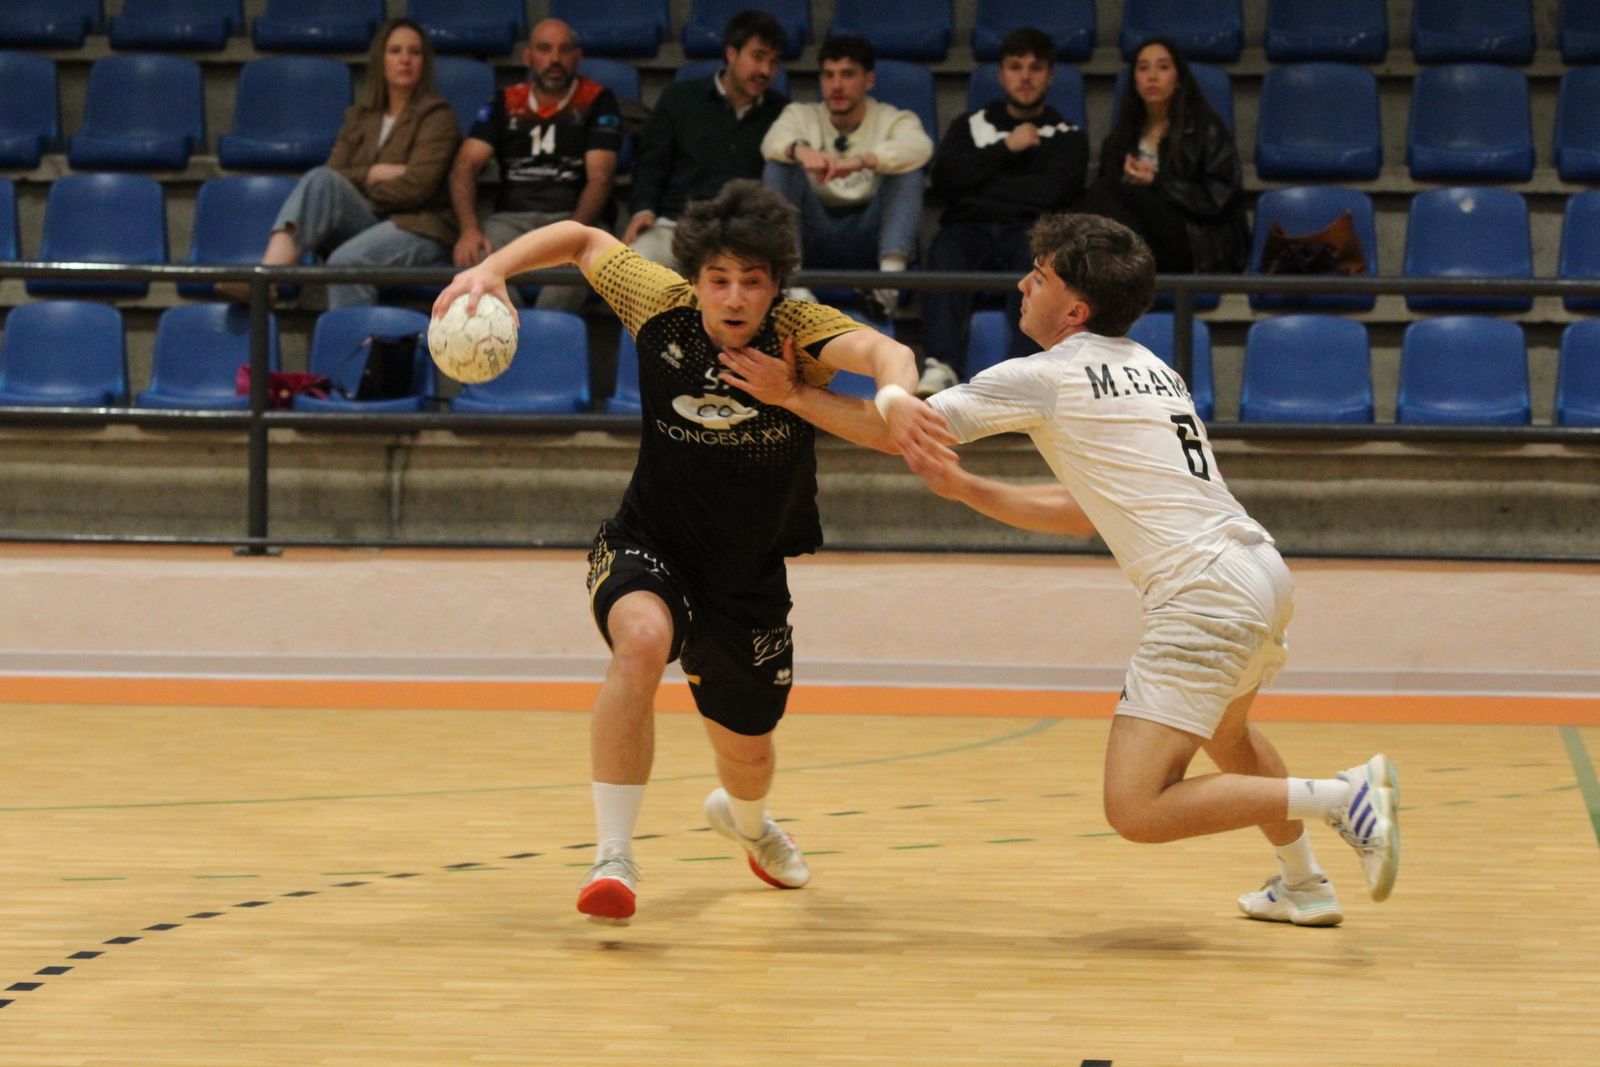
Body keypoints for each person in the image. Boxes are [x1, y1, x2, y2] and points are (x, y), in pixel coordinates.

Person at [735, 212, 1401, 927]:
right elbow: (1084, 511)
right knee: (1228, 733)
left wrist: (793, 394)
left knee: (1137, 807)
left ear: (1075, 310)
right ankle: (1303, 882)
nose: (1024, 285)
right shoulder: (1154, 368)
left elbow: (901, 429)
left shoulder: (1049, 374)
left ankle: (1344, 797)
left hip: (1202, 592)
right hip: (1256, 569)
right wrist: (967, 488)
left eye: (1040, 276)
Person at [432, 180, 934, 924]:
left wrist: (830, 395)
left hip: (747, 576)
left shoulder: (800, 332)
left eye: (752, 282)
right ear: (694, 278)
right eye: (718, 279)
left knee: (749, 755)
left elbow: (888, 354)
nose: (733, 298)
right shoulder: (657, 302)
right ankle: (613, 856)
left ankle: (750, 824)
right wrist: (492, 269)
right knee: (640, 640)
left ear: (776, 286)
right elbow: (580, 237)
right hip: (650, 542)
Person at [220, 18, 460, 308]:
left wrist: (359, 187)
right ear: (381, 60)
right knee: (320, 180)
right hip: (371, 220)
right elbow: (334, 173)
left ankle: (352, 339)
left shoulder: (438, 117)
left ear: (425, 63)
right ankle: (265, 278)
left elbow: (418, 187)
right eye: (395, 51)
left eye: (415, 52)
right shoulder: (359, 117)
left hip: (419, 228)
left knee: (345, 262)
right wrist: (372, 174)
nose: (405, 59)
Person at [916, 27, 1088, 396]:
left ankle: (1024, 375)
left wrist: (980, 187)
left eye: (1035, 68)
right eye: (1015, 67)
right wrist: (1007, 147)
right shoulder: (970, 125)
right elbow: (946, 181)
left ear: (1050, 76)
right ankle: (942, 365)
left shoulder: (1068, 135)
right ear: (1001, 75)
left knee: (1043, 263)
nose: (1025, 77)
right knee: (945, 252)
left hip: (1030, 231)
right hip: (967, 229)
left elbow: (1054, 195)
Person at [446, 18, 621, 313]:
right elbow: (464, 167)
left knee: (585, 260)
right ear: (528, 56)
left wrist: (573, 232)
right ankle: (516, 330)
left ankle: (545, 331)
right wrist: (469, 229)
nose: (554, 58)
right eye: (544, 49)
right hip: (510, 220)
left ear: (577, 57)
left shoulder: (597, 100)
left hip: (573, 218)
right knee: (476, 255)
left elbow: (600, 178)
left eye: (564, 49)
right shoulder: (505, 100)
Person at [759, 34, 932, 317]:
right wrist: (799, 150)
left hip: (870, 235)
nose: (836, 86)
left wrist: (861, 162)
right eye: (829, 75)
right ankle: (794, 283)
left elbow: (921, 147)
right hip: (814, 234)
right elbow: (771, 143)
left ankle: (888, 286)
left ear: (869, 80)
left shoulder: (894, 118)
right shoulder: (800, 114)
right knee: (778, 166)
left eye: (847, 75)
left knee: (908, 170)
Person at [622, 10, 789, 268]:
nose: (765, 70)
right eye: (757, 57)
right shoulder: (680, 98)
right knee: (632, 266)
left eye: (773, 62)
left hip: (746, 238)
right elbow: (651, 163)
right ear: (731, 53)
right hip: (677, 227)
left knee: (795, 289)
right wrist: (643, 210)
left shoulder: (782, 112)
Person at [1077, 37, 1247, 276]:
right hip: (1140, 236)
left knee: (1105, 193)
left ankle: (1123, 273)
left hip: (1194, 239)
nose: (1152, 76)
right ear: (1134, 80)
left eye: (1163, 67)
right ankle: (1123, 271)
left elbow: (1218, 198)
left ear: (1178, 79)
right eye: (1143, 68)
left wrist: (1156, 182)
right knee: (1097, 196)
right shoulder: (1120, 138)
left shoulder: (1205, 130)